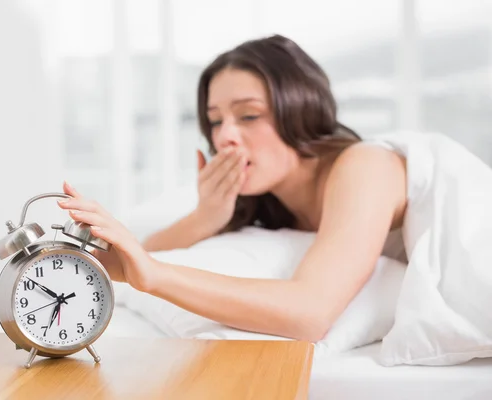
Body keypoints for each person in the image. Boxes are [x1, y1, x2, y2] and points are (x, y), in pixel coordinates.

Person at [57, 34, 408, 342]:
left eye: (249, 116)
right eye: (214, 121)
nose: (225, 136)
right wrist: (206, 217)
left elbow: (310, 313)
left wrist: (156, 277)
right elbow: (147, 254)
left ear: (301, 111)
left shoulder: (366, 165)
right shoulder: (267, 200)